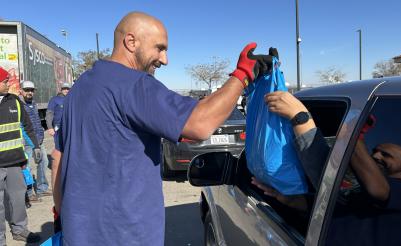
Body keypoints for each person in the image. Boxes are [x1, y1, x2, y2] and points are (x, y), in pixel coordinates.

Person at [53, 11, 274, 245]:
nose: (165, 59)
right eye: (159, 48)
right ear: (131, 42)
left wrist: (64, 218)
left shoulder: (80, 88)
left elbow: (58, 157)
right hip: (125, 237)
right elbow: (200, 124)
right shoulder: (135, 86)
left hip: (77, 235)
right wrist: (242, 76)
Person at [252, 89, 401, 245]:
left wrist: (353, 134)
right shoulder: (357, 188)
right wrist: (285, 197)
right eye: (375, 151)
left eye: (386, 155)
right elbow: (328, 200)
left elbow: (376, 190)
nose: (376, 155)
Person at [0, 67, 41, 244]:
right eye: (4, 81)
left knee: (18, 200)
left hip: (15, 162)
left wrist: (36, 147)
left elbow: (27, 126)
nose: (8, 83)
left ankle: (19, 229)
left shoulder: (15, 101)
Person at [20, 81, 51, 199]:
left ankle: (41, 188)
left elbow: (37, 121)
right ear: (21, 91)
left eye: (32, 90)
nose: (29, 92)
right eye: (27, 90)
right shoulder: (20, 104)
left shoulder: (33, 103)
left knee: (43, 162)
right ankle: (28, 193)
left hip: (39, 139)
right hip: (28, 140)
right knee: (27, 166)